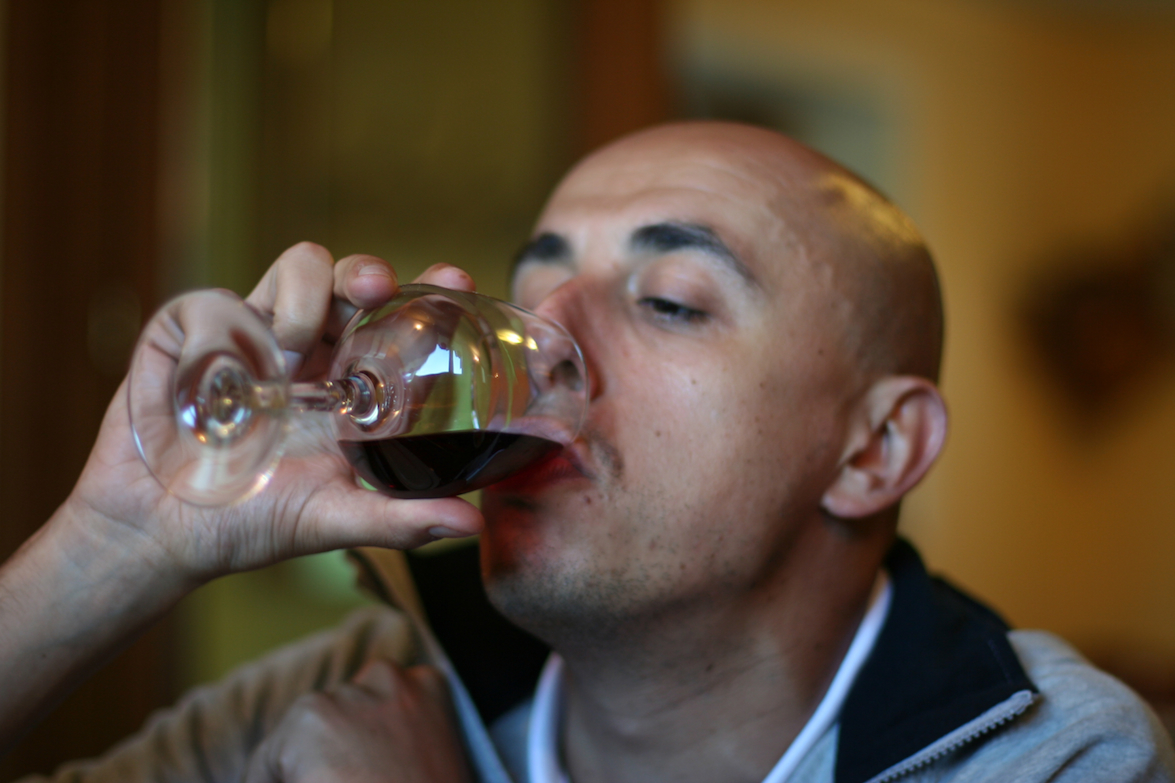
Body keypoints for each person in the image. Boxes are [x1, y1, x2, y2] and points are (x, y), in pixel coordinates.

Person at [1, 121, 1172, 783]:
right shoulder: (379, 676)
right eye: (533, 286)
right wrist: (112, 547)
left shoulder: (1055, 757)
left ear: (874, 449)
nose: (544, 340)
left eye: (668, 300)